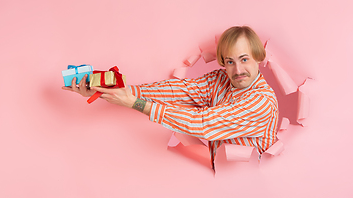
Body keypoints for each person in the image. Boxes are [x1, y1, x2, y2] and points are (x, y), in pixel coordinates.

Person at [62, 26, 279, 170]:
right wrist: (112, 90)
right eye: (230, 61)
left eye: (244, 59)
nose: (237, 69)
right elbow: (176, 90)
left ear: (258, 58)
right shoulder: (220, 80)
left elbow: (203, 123)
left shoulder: (261, 101)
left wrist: (134, 103)